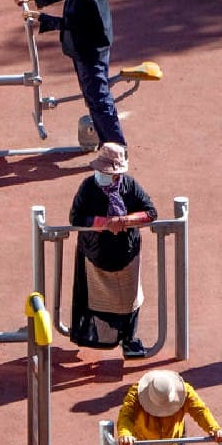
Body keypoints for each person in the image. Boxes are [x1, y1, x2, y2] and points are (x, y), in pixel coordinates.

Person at [17, 0, 126, 146]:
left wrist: (41, 18)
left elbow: (72, 24)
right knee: (93, 98)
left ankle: (118, 148)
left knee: (100, 100)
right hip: (83, 47)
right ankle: (106, 143)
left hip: (91, 51)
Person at [68, 143, 158, 358]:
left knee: (130, 299)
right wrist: (104, 223)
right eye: (101, 171)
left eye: (109, 173)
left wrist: (125, 220)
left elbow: (150, 212)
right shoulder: (88, 186)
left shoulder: (130, 185)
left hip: (126, 253)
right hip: (95, 253)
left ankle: (129, 340)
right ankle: (93, 335)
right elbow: (76, 218)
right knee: (95, 298)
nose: (104, 176)